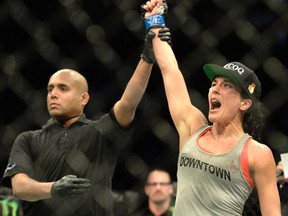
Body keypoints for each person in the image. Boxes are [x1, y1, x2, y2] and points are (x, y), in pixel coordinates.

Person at [1, 30, 170, 215]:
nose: (53, 94)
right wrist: (54, 189)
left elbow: (128, 103)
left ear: (84, 98)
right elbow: (19, 187)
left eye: (63, 88)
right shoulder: (28, 139)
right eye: (50, 89)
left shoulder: (100, 131)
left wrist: (146, 59)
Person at [141, 0, 281, 215]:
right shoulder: (192, 126)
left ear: (245, 103)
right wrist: (155, 21)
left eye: (227, 86)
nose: (215, 90)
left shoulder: (256, 154)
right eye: (214, 84)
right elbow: (170, 71)